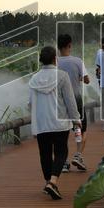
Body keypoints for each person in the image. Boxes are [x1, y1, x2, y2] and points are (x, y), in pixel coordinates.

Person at [29, 46, 80, 199]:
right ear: (54, 59)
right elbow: (70, 101)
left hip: (41, 123)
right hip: (60, 122)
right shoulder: (62, 76)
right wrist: (76, 119)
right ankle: (53, 182)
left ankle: (49, 183)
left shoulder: (34, 79)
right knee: (61, 152)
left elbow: (31, 103)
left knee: (44, 154)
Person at [56, 33, 90, 172]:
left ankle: (63, 162)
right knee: (80, 129)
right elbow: (87, 80)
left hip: (60, 101)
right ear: (70, 45)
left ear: (58, 46)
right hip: (76, 99)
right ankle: (78, 155)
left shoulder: (55, 62)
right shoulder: (77, 61)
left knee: (62, 132)